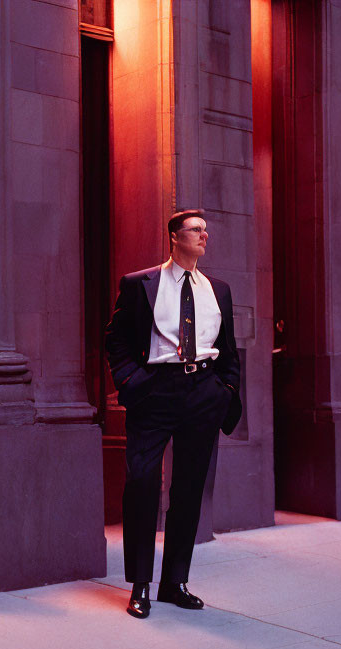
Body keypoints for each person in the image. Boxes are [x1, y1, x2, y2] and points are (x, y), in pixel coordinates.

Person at [104, 209, 242, 619]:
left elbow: (229, 348)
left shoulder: (219, 289)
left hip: (203, 392)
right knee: (142, 482)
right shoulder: (139, 284)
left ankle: (174, 583)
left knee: (188, 490)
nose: (204, 236)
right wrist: (130, 382)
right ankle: (140, 585)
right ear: (174, 237)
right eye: (196, 230)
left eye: (205, 231)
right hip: (155, 392)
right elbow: (115, 338)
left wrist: (225, 389)